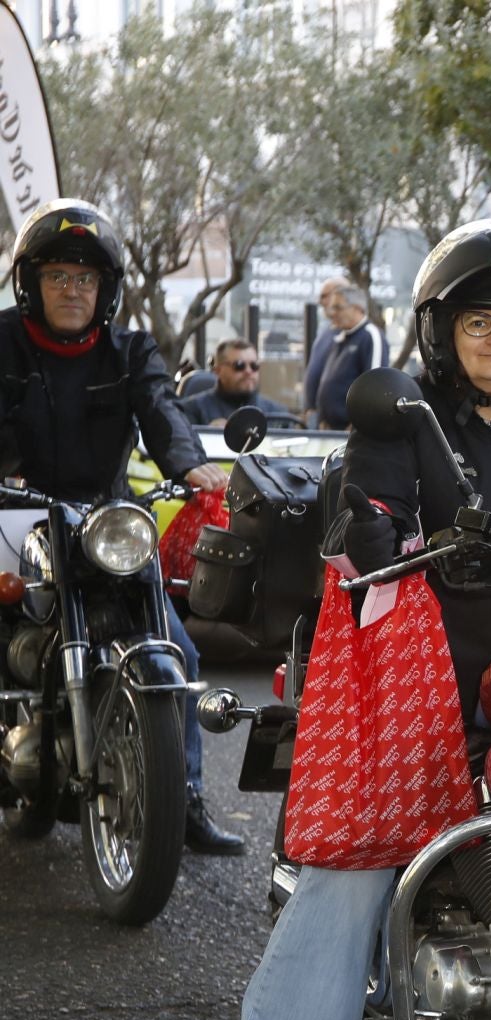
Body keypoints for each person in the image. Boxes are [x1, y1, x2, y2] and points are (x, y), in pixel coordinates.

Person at [201, 220, 491, 1020]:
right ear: (441, 330)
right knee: (363, 859)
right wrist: (379, 533)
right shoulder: (401, 415)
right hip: (433, 663)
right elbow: (369, 512)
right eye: (481, 323)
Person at [0, 199, 243, 853]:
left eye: (86, 278)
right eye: (58, 276)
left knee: (179, 651)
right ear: (33, 285)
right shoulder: (3, 341)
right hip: (13, 515)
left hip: (102, 521)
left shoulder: (130, 350)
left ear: (105, 290)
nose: (72, 290)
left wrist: (191, 467)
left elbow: (161, 410)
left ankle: (183, 797)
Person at [311, 284, 388, 432]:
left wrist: (357, 426)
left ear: (358, 308)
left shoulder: (370, 335)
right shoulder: (340, 337)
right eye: (332, 308)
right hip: (328, 431)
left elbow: (374, 387)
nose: (332, 313)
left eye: (338, 307)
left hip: (350, 434)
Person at [179, 338, 287, 425]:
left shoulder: (278, 414)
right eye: (239, 365)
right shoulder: (191, 411)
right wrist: (209, 436)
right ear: (218, 370)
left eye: (254, 366)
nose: (248, 371)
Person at [300, 275, 349, 423]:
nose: (320, 302)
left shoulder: (355, 334)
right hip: (318, 419)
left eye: (324, 296)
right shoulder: (326, 332)